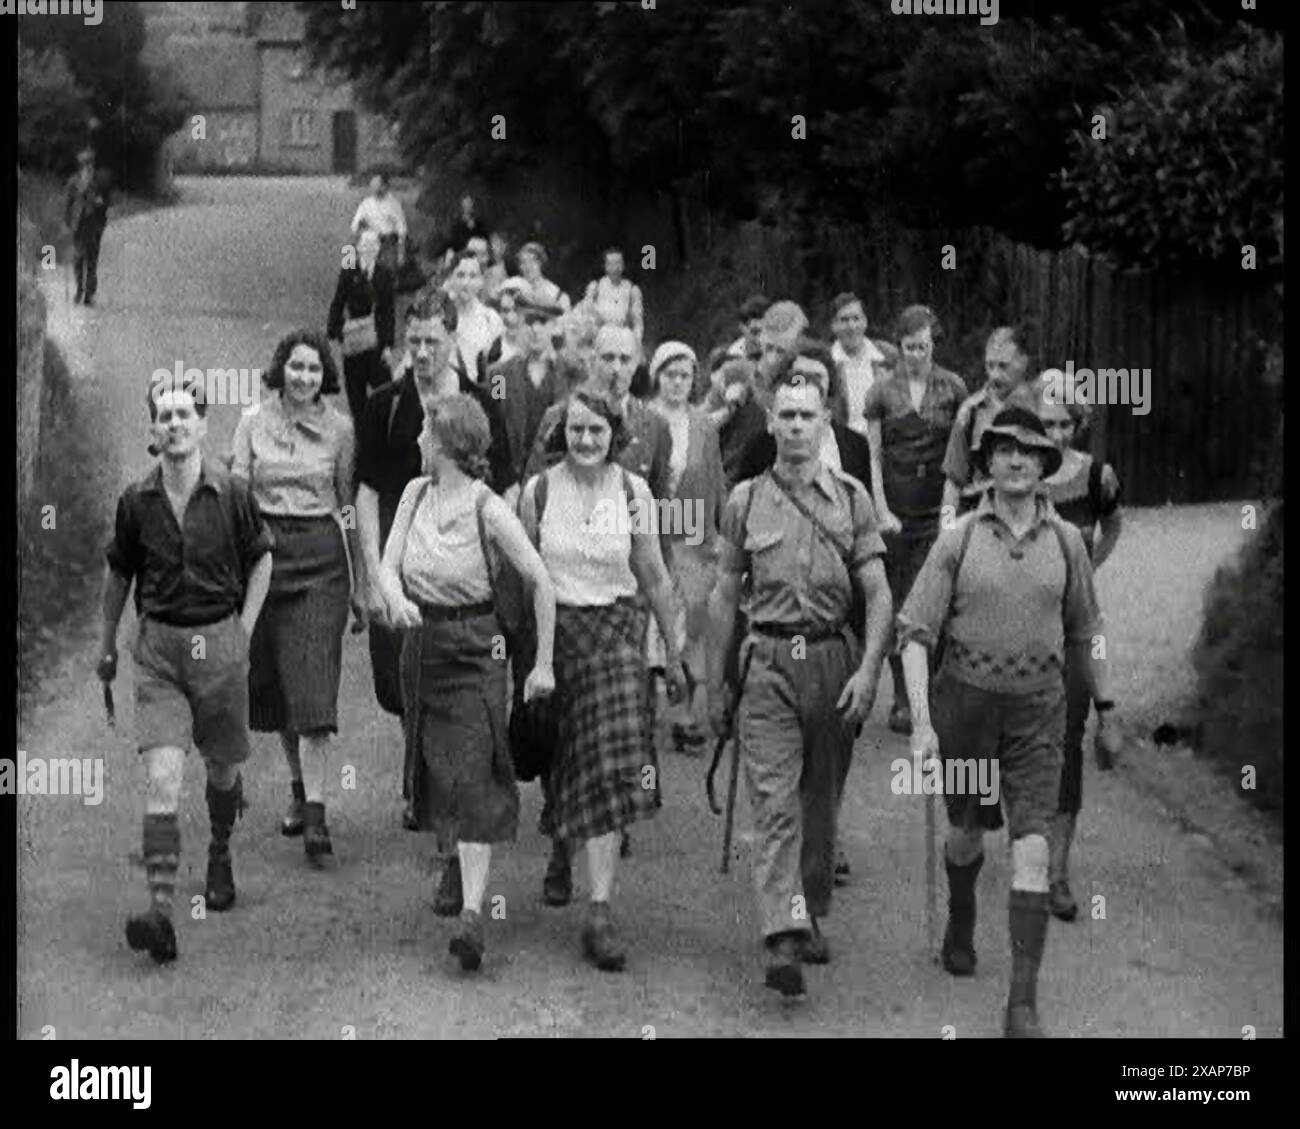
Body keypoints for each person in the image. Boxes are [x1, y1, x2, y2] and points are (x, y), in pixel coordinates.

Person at [898, 406, 1122, 1038]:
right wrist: (922, 723)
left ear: (1046, 463)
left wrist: (1107, 708)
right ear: (987, 462)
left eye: (1028, 450)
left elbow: (1088, 630)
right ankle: (961, 915)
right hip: (966, 706)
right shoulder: (959, 537)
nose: (1016, 460)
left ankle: (1022, 1003)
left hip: (1038, 712)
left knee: (1032, 849)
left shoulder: (1068, 543)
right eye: (1002, 450)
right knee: (967, 834)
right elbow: (914, 634)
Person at [707, 364, 893, 997]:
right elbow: (725, 593)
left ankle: (807, 910)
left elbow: (878, 591)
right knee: (774, 798)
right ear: (770, 420)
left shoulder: (853, 498)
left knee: (820, 801)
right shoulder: (745, 500)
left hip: (832, 659)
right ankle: (781, 932)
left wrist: (869, 671)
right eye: (784, 414)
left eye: (806, 415)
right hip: (767, 662)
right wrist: (717, 682)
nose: (794, 426)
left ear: (824, 422)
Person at [377, 393, 557, 971]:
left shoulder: (488, 509)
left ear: (449, 444)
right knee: (436, 768)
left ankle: (475, 917)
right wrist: (397, 598)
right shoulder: (412, 494)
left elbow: (540, 580)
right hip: (422, 646)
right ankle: (452, 860)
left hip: (479, 651)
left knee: (475, 773)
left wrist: (544, 663)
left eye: (426, 433)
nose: (417, 442)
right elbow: (386, 565)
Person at [99, 377, 273, 963]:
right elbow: (119, 575)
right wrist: (106, 645)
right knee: (163, 780)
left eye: (184, 415)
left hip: (219, 644)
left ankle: (220, 850)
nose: (174, 424)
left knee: (221, 770)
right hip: (160, 653)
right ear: (152, 430)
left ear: (203, 425)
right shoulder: (135, 501)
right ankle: (161, 910)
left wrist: (244, 631)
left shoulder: (233, 493)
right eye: (164, 416)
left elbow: (261, 558)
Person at [517, 387, 686, 970]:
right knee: (564, 757)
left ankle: (600, 910)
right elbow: (522, 580)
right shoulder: (536, 493)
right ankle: (563, 843)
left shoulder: (633, 492)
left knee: (611, 767)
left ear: (615, 434)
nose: (586, 441)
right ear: (559, 434)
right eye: (575, 430)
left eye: (597, 431)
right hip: (557, 634)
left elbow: (657, 577)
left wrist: (674, 654)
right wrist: (524, 658)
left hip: (618, 634)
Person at [356, 297, 513, 842]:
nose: (422, 353)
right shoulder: (385, 406)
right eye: (414, 341)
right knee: (399, 690)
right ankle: (423, 770)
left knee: (458, 699)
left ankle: (447, 797)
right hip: (403, 572)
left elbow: (506, 485)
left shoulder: (480, 402)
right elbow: (368, 492)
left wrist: (500, 573)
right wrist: (374, 577)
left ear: (453, 339)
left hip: (465, 579)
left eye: (433, 342)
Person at [230, 330, 363, 863]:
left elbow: (349, 503)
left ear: (323, 376)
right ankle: (298, 785)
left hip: (320, 561)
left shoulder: (341, 430)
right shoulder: (250, 421)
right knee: (280, 688)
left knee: (312, 686)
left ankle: (317, 817)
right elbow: (237, 497)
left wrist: (364, 584)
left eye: (313, 369)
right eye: (296, 367)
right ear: (281, 369)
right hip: (264, 557)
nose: (304, 377)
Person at [863, 306, 968, 735]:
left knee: (936, 604)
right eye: (908, 347)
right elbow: (873, 456)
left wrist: (951, 518)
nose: (915, 355)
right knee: (898, 604)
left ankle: (935, 697)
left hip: (937, 511)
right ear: (899, 346)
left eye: (922, 346)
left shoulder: (954, 388)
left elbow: (961, 456)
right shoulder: (881, 392)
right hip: (896, 515)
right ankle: (904, 699)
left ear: (933, 344)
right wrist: (881, 509)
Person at [1038, 393, 1122, 922]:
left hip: (1072, 628)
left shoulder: (1096, 477)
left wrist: (1090, 567)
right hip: (1022, 632)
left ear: (1077, 424)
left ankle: (1057, 873)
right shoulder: (1017, 471)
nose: (1055, 433)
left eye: (1064, 423)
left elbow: (1113, 524)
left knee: (1067, 746)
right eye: (1045, 423)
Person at [645, 342, 727, 752]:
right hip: (651, 527)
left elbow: (715, 480)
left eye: (684, 375)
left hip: (693, 528)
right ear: (656, 376)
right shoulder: (642, 417)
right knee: (652, 615)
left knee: (694, 617)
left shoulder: (704, 424)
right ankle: (645, 705)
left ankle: (687, 714)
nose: (677, 382)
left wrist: (721, 531)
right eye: (669, 374)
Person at [523, 324, 671, 501]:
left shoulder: (655, 425)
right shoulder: (559, 415)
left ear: (636, 363)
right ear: (593, 361)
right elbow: (534, 489)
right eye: (608, 358)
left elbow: (660, 501)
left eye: (624, 360)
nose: (616, 368)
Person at [941, 323, 1041, 516]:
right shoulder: (970, 412)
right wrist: (946, 534)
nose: (995, 375)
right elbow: (953, 483)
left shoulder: (1040, 408)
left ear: (1024, 362)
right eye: (990, 365)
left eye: (1003, 366)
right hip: (982, 520)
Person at [488, 295, 568, 488]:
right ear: (520, 324)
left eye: (542, 322)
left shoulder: (570, 375)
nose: (535, 329)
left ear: (554, 327)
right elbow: (494, 427)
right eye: (529, 321)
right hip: (512, 482)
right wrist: (506, 482)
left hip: (558, 480)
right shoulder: (499, 375)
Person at [327, 228, 398, 422]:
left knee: (384, 388)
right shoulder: (349, 268)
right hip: (354, 339)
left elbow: (388, 311)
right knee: (355, 392)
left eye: (374, 244)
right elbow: (338, 300)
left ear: (379, 248)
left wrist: (388, 345)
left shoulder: (384, 274)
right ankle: (360, 433)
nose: (369, 248)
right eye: (365, 244)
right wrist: (336, 331)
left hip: (376, 339)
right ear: (358, 247)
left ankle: (379, 430)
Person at [828, 292, 889, 438]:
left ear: (865, 322)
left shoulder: (887, 357)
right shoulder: (826, 363)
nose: (851, 326)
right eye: (844, 320)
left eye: (856, 318)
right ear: (833, 326)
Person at [443, 252, 504, 385]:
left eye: (473, 276)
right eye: (460, 275)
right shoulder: (440, 316)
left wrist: (496, 400)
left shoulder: (491, 319)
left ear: (481, 281)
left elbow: (498, 371)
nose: (466, 282)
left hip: (479, 395)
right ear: (450, 279)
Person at [64, 147, 110, 307]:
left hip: (94, 225)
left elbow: (106, 203)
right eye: (85, 164)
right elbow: (68, 204)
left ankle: (89, 294)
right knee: (78, 259)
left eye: (90, 164)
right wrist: (67, 223)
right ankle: (79, 289)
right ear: (80, 165)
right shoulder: (73, 181)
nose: (88, 167)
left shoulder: (99, 182)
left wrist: (101, 206)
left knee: (91, 261)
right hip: (78, 225)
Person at [582, 247, 645, 341]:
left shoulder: (632, 290)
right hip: (600, 339)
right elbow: (586, 317)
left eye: (618, 263)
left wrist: (636, 343)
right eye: (610, 264)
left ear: (623, 265)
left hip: (624, 340)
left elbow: (638, 324)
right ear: (605, 266)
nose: (615, 268)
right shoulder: (595, 287)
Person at [350, 172, 407, 275]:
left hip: (386, 239)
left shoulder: (394, 204)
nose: (373, 188)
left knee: (385, 267)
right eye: (372, 186)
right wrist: (359, 228)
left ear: (385, 186)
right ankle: (352, 278)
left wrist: (401, 250)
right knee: (349, 252)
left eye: (377, 186)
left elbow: (401, 228)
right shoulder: (366, 204)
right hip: (367, 238)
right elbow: (355, 224)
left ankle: (375, 277)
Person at [516, 241, 571, 316]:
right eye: (523, 262)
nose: (528, 266)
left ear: (541, 263)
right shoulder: (516, 292)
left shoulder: (557, 295)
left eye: (532, 261)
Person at [436, 193, 490, 268]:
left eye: (469, 203)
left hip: (478, 260)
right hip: (462, 260)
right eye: (466, 203)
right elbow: (452, 243)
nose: (468, 206)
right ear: (462, 205)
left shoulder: (479, 224)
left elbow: (485, 240)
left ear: (472, 205)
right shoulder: (457, 225)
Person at [724, 295, 769, 360]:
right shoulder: (734, 354)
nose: (759, 338)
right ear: (742, 328)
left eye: (764, 332)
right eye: (755, 332)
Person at [484, 232, 511, 303]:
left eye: (497, 244)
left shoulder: (508, 269)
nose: (493, 247)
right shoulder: (487, 268)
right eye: (492, 243)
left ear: (504, 246)